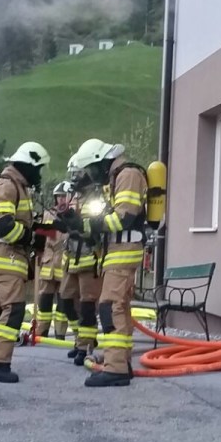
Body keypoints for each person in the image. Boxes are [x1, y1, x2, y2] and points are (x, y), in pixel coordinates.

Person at [64, 139, 148, 387]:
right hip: (115, 251)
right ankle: (121, 362)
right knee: (118, 307)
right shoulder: (116, 178)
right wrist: (79, 224)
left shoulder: (128, 175)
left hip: (123, 251)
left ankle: (115, 368)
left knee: (110, 307)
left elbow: (123, 218)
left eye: (91, 169)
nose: (91, 175)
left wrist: (90, 224)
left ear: (101, 162)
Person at [0, 141, 49, 383]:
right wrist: (31, 238)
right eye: (38, 169)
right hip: (7, 258)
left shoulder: (17, 186)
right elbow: (4, 225)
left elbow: (17, 221)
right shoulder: (7, 185)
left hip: (2, 257)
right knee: (13, 310)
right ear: (27, 165)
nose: (39, 174)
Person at [55, 178, 104, 367]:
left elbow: (96, 230)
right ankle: (79, 339)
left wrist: (78, 224)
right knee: (66, 301)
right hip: (71, 262)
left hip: (89, 261)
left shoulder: (97, 200)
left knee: (87, 306)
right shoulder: (74, 199)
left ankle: (85, 346)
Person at [34, 181, 73, 339]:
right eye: (59, 197)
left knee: (63, 301)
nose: (61, 199)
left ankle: (60, 334)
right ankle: (41, 331)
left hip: (64, 263)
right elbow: (41, 236)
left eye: (64, 196)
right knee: (44, 299)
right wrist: (37, 252)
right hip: (48, 262)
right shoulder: (48, 214)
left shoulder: (75, 215)